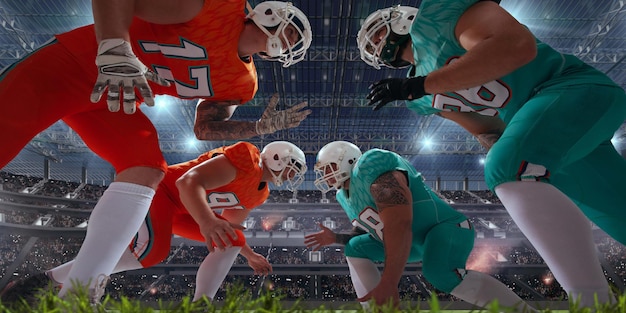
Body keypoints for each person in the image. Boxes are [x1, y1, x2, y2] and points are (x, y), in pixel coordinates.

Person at [0, 0, 312, 299]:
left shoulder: (242, 83)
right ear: (271, 14)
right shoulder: (220, 8)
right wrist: (115, 49)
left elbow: (204, 128)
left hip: (115, 100)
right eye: (291, 32)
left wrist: (258, 128)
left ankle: (78, 293)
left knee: (146, 166)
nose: (287, 43)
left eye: (293, 42)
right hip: (73, 64)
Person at [356, 1, 626, 307]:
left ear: (402, 19)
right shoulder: (417, 97)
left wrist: (420, 85)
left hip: (570, 89)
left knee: (506, 166)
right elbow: (485, 128)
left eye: (377, 33)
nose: (376, 44)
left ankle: (593, 302)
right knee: (620, 214)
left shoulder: (437, 20)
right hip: (552, 129)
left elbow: (517, 46)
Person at [0, 140, 308, 304]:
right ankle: (45, 280)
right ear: (276, 158)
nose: (292, 176)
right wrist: (206, 223)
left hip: (185, 211)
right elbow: (188, 183)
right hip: (162, 192)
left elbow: (231, 227)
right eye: (292, 168)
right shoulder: (246, 160)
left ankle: (202, 302)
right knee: (151, 253)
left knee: (234, 239)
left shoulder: (260, 192)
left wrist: (249, 253)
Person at [305, 141, 537, 311]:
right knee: (355, 246)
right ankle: (377, 310)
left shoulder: (369, 165)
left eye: (328, 167)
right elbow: (368, 231)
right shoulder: (343, 196)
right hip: (411, 241)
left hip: (445, 228)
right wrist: (335, 237)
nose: (325, 175)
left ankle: (524, 311)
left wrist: (389, 282)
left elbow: (400, 221)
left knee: (438, 273)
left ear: (349, 160)